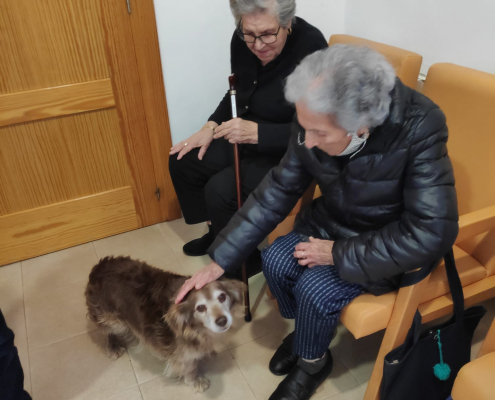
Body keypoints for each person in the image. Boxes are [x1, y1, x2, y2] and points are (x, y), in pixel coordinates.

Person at [175, 45, 459, 400]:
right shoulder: (313, 111)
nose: (306, 142)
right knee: (274, 261)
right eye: (304, 128)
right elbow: (278, 189)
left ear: (361, 126)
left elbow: (432, 230)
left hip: (385, 242)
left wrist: (337, 253)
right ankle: (309, 335)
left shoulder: (420, 126)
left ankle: (313, 363)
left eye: (320, 134)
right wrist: (221, 260)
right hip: (332, 220)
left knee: (315, 289)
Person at [168, 0, 327, 277]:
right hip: (246, 129)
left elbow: (319, 126)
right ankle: (218, 234)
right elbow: (236, 92)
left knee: (220, 190)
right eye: (249, 34)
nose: (258, 44)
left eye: (267, 34)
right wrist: (209, 126)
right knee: (185, 160)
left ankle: (246, 259)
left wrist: (259, 134)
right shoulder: (242, 38)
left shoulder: (312, 47)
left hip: (288, 144)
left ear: (287, 24)